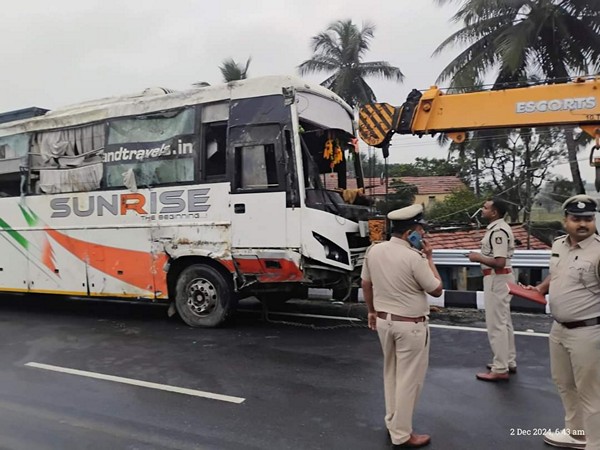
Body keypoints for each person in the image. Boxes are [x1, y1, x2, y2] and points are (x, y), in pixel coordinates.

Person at [361, 204, 443, 449]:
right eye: (420, 230)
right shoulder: (414, 257)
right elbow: (437, 289)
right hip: (411, 326)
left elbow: (366, 283)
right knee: (409, 380)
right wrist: (429, 258)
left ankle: (392, 421)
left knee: (392, 374)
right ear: (410, 233)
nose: (423, 236)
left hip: (385, 321)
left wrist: (371, 311)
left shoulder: (373, 251)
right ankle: (402, 434)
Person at [524, 194, 600, 450]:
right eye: (576, 218)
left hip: (588, 332)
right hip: (559, 329)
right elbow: (558, 273)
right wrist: (542, 287)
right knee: (565, 384)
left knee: (592, 394)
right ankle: (577, 434)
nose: (583, 224)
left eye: (588, 219)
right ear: (565, 220)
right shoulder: (559, 244)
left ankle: (595, 443)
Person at [468, 197, 517, 382]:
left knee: (496, 324)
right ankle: (507, 360)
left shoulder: (498, 231)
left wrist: (477, 257)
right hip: (500, 278)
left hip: (497, 278)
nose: (482, 209)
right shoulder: (499, 229)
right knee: (504, 323)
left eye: (486, 207)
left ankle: (500, 368)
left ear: (494, 212)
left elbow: (499, 262)